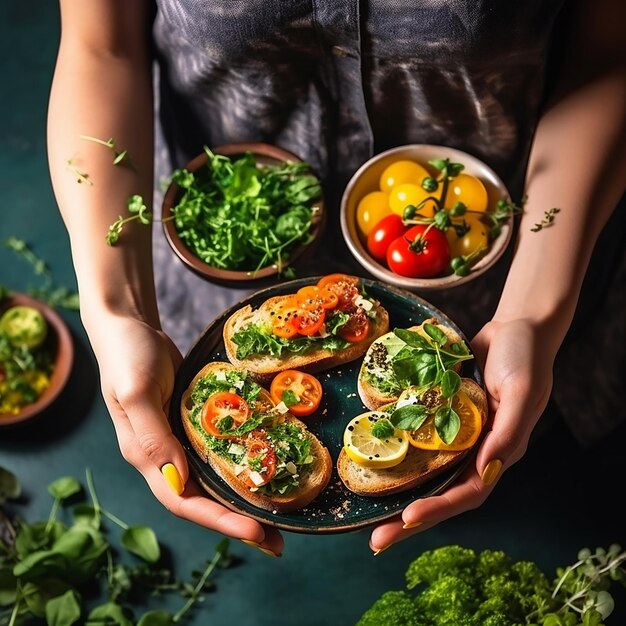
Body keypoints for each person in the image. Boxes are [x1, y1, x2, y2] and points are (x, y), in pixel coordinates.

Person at [47, 0, 625, 558]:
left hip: (499, 261)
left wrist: (531, 312)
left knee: (524, 482)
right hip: (219, 268)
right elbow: (101, 47)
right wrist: (116, 310)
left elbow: (607, 55)